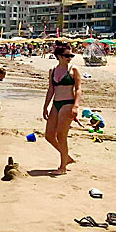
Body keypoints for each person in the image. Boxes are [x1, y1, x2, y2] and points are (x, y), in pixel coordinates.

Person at [43, 41, 82, 174]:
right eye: (67, 55)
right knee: (49, 135)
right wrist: (45, 106)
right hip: (56, 103)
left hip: (68, 103)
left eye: (71, 55)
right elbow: (50, 89)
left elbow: (78, 89)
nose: (70, 58)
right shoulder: (52, 71)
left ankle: (62, 167)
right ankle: (67, 157)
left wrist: (76, 106)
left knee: (61, 135)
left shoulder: (73, 70)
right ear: (59, 56)